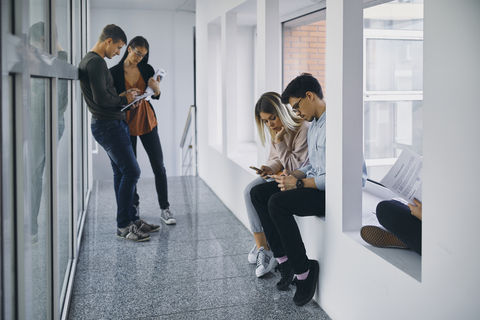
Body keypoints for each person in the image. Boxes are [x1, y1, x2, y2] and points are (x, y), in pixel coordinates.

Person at [250, 73, 368, 306]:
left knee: (277, 203)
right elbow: (313, 165)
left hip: (335, 195)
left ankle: (304, 271)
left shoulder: (338, 125)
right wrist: (294, 175)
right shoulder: (316, 126)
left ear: (310, 95)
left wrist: (301, 183)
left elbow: (354, 178)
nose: (296, 113)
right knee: (259, 193)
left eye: (296, 106)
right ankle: (285, 263)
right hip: (317, 186)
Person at [79, 24, 159, 242]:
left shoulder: (94, 61)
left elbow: (105, 96)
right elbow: (101, 99)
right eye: (118, 47)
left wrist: (124, 97)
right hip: (108, 126)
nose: (117, 52)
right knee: (132, 171)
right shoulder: (95, 62)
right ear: (108, 41)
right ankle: (124, 225)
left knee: (121, 173)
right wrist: (126, 98)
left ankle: (131, 219)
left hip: (112, 123)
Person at [109, 36, 176, 225]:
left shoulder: (146, 69)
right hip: (125, 124)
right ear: (129, 48)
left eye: (143, 55)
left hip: (147, 120)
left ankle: (165, 208)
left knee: (158, 166)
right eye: (137, 53)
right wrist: (123, 96)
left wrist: (158, 90)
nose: (140, 58)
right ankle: (134, 206)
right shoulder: (114, 72)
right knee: (131, 169)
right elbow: (111, 99)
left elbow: (154, 96)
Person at [245, 92, 309, 278]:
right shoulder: (276, 130)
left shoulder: (302, 128)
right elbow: (276, 160)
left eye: (272, 118)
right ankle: (263, 247)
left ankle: (269, 249)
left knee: (259, 194)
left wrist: (280, 141)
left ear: (282, 112)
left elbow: (296, 167)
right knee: (249, 191)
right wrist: (267, 168)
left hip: (295, 178)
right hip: (280, 175)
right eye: (265, 121)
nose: (270, 124)